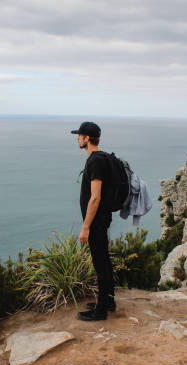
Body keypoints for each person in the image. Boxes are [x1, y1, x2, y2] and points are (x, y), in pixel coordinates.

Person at [71, 121, 116, 321]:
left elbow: (95, 197)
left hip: (96, 221)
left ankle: (101, 311)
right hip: (102, 218)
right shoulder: (100, 158)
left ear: (87, 138)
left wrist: (85, 227)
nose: (77, 138)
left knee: (100, 262)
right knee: (104, 259)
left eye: (79, 135)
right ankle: (108, 300)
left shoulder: (95, 161)